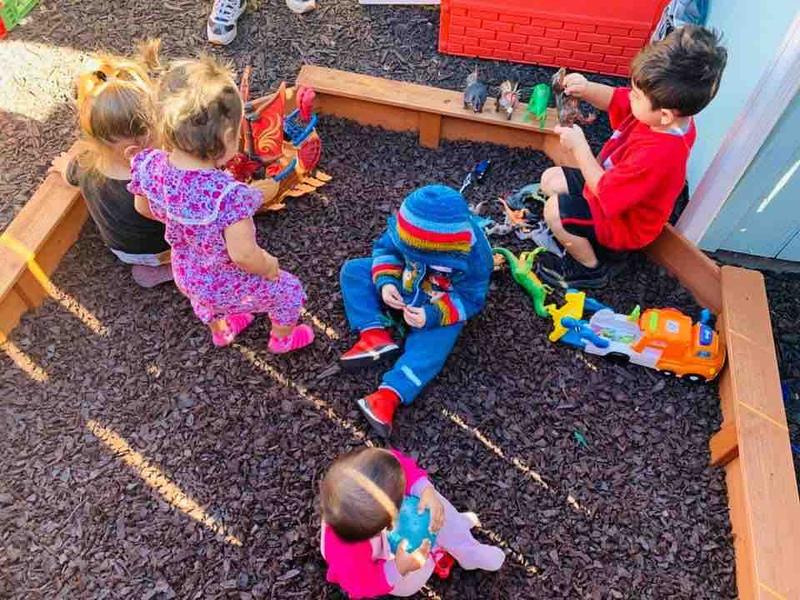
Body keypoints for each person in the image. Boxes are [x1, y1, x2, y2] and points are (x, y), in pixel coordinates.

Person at [129, 56, 313, 352]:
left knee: (205, 298)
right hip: (222, 280)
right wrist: (268, 266)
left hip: (186, 273)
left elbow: (143, 208)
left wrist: (183, 219)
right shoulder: (227, 197)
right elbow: (243, 254)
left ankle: (223, 329)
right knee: (288, 290)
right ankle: (283, 339)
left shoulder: (150, 165)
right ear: (228, 137)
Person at [535, 25, 728, 289]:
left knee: (554, 211)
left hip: (625, 224)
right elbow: (618, 99)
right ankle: (579, 228)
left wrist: (580, 148)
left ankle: (589, 268)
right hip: (612, 191)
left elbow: (605, 191)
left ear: (665, 114)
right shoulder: (665, 117)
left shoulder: (659, 154)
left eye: (637, 95)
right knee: (551, 179)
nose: (631, 96)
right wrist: (587, 88)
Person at [339, 185, 493, 437]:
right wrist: (386, 282)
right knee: (354, 270)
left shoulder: (474, 256)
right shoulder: (409, 226)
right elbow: (387, 249)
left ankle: (388, 395)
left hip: (437, 302)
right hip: (404, 283)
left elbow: (471, 297)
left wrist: (431, 315)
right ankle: (373, 336)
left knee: (440, 338)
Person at [50, 40, 173, 289]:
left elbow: (68, 173)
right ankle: (165, 268)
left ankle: (147, 264)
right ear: (136, 148)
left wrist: (62, 165)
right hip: (156, 250)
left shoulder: (85, 166)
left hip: (120, 250)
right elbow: (179, 217)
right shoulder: (154, 178)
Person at [320, 447, 505, 598]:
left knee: (434, 504)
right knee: (411, 580)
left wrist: (425, 491)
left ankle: (465, 548)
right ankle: (441, 545)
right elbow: (363, 584)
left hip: (385, 530)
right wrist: (399, 567)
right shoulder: (347, 552)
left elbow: (402, 467)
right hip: (386, 564)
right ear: (380, 529)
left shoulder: (375, 469)